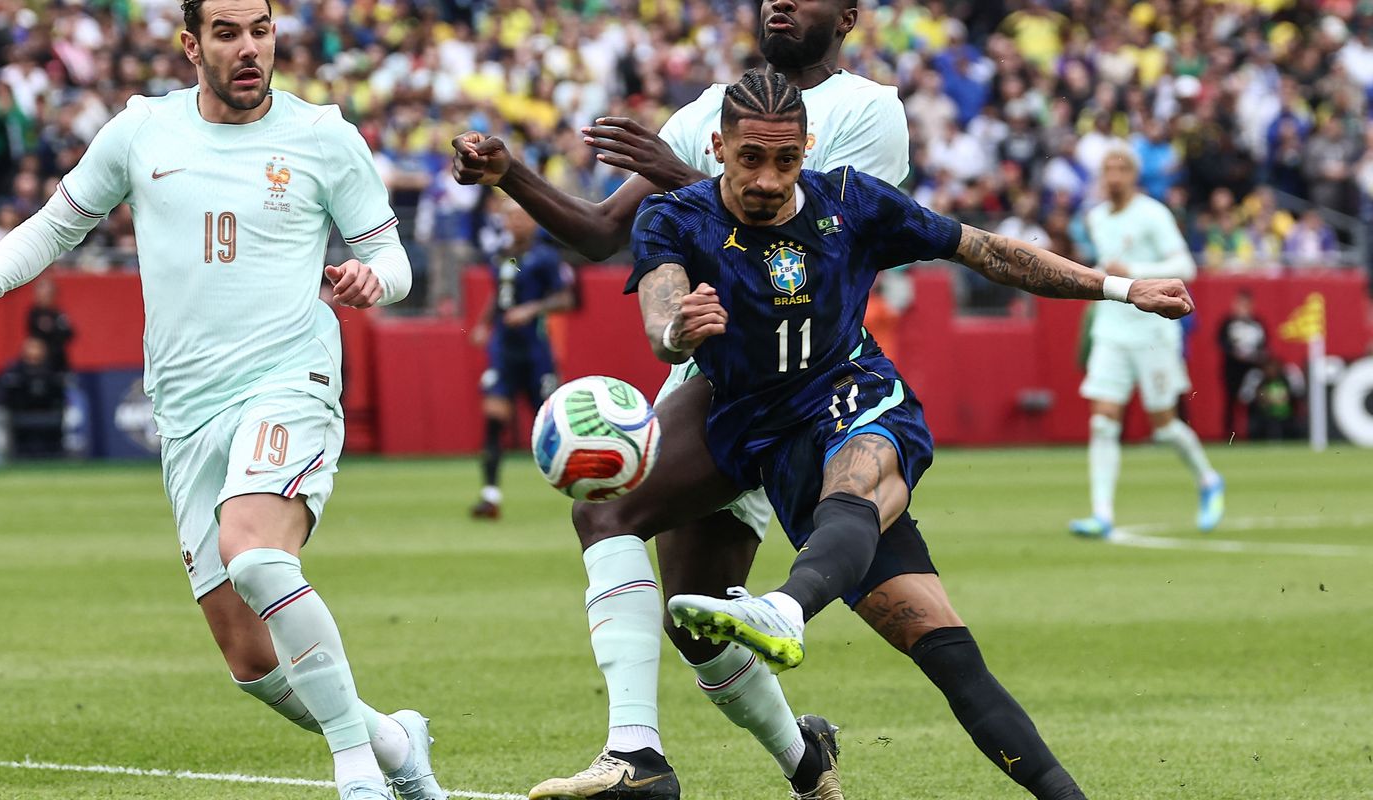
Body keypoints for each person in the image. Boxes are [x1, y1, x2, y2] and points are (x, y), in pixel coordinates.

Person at [454, 4, 1083, 800]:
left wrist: (686, 179)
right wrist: (511, 173)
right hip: (713, 377)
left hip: (811, 384)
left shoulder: (868, 110)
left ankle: (639, 751)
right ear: (721, 141)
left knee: (630, 522)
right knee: (693, 617)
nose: (778, 2)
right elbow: (605, 231)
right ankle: (801, 760)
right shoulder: (705, 113)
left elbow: (808, 233)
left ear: (846, 16)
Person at [0, 3, 442, 799]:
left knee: (257, 554)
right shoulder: (143, 131)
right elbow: (58, 224)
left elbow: (394, 259)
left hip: (289, 378)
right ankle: (393, 743)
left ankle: (357, 773)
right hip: (186, 407)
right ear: (191, 46)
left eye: (260, 30)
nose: (249, 48)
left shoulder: (322, 136)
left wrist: (373, 278)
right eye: (227, 33)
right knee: (251, 660)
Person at [645, 70, 1191, 800]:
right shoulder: (674, 217)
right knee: (947, 653)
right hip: (773, 444)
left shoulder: (851, 202)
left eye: (786, 160)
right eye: (751, 159)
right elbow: (660, 314)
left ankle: (783, 609)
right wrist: (677, 333)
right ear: (718, 147)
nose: (769, 179)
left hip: (857, 398)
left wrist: (1120, 288)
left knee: (859, 469)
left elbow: (986, 249)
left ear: (808, 148)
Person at [1068, 146, 1224, 538]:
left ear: (1134, 175)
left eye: (1121, 168)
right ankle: (1102, 513)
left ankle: (1208, 479)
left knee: (1164, 426)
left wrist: (1134, 272)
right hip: (1111, 329)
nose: (1114, 175)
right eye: (1108, 168)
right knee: (1103, 421)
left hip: (1152, 332)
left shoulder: (1153, 214)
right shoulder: (1096, 218)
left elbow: (1185, 266)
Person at [469, 198, 573, 520]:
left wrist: (532, 309)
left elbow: (565, 298)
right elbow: (501, 293)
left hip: (536, 351)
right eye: (511, 217)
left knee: (552, 423)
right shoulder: (504, 255)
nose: (516, 223)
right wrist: (484, 323)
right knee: (494, 418)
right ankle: (490, 495)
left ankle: (582, 487)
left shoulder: (546, 257)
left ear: (533, 221)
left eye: (522, 217)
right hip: (504, 350)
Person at [0, 337, 68, 458]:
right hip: (21, 412)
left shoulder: (51, 369)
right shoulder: (16, 369)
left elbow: (59, 394)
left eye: (37, 348)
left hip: (48, 412)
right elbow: (6, 392)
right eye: (31, 347)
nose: (34, 351)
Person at [1217, 291, 1267, 437]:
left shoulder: (1257, 324)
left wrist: (1255, 356)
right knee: (1231, 401)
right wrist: (1234, 353)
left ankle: (1252, 433)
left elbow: (1264, 344)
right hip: (1232, 368)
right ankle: (1229, 434)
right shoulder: (1228, 323)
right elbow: (1221, 342)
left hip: (1251, 368)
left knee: (1252, 399)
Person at [26, 278, 76, 374]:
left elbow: (70, 333)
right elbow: (34, 334)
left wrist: (53, 328)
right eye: (40, 294)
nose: (42, 297)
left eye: (47, 294)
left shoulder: (58, 314)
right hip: (40, 363)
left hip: (58, 362)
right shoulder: (34, 313)